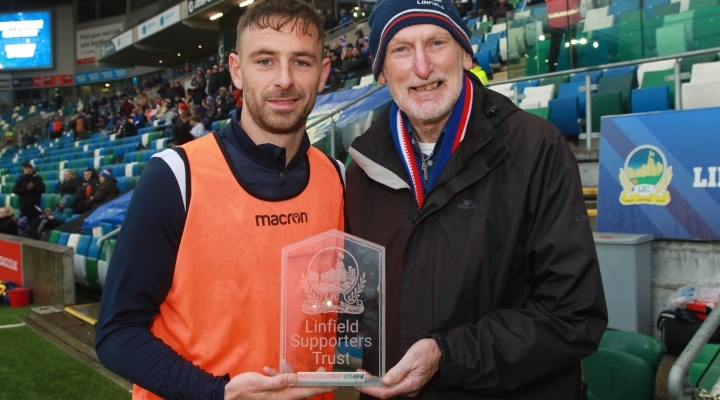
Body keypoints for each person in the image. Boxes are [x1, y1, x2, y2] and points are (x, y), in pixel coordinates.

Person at [345, 1, 608, 399]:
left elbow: (573, 316)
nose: (421, 67)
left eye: (437, 42)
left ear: (466, 53)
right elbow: (362, 308)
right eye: (401, 49)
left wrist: (448, 356)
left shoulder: (535, 147)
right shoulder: (362, 167)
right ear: (381, 71)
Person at [96, 1, 345, 399]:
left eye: (301, 61)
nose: (284, 79)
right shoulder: (176, 175)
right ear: (236, 70)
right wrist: (217, 393)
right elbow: (116, 332)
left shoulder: (337, 179)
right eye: (265, 60)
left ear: (323, 72)